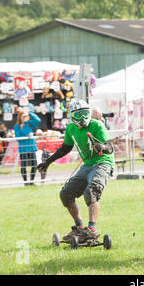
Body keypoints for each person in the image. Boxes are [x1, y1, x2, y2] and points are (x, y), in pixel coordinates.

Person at [37, 98, 115, 242]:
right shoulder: (71, 128)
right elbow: (65, 148)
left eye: (85, 113)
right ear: (72, 116)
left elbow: (110, 148)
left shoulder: (97, 125)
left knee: (91, 191)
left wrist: (101, 147)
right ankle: (80, 228)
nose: (83, 117)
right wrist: (47, 162)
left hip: (103, 163)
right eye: (78, 115)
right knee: (65, 194)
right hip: (87, 166)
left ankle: (91, 230)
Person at [14, 110, 41, 186]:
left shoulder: (29, 123)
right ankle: (26, 182)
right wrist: (27, 137)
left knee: (35, 165)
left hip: (32, 147)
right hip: (23, 149)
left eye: (26, 116)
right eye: (23, 116)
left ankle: (31, 181)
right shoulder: (17, 127)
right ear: (20, 117)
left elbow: (38, 120)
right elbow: (17, 138)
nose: (25, 117)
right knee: (24, 166)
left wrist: (29, 113)